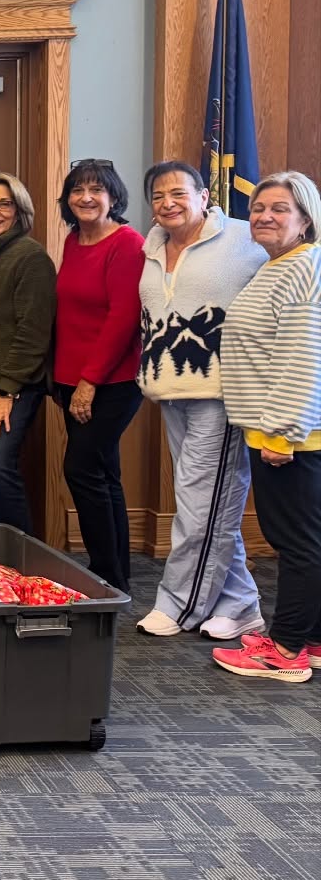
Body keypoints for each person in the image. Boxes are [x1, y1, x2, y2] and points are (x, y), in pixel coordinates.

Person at [136, 161, 267, 638]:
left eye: (178, 193)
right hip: (171, 393)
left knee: (199, 505)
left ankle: (179, 605)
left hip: (221, 395)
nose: (167, 203)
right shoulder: (151, 245)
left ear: (204, 194)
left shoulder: (241, 239)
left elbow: (291, 281)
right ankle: (241, 605)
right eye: (158, 196)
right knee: (209, 506)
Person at [213, 171, 321, 684]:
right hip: (283, 429)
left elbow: (301, 358)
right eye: (258, 208)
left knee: (296, 543)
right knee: (306, 540)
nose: (265, 216)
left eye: (280, 208)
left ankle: (286, 650)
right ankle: (311, 639)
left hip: (291, 434)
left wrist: (282, 432)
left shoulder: (301, 269)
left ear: (305, 219)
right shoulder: (281, 267)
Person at [53, 159, 145, 592]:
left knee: (82, 469)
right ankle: (113, 572)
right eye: (77, 190)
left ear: (113, 196)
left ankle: (106, 573)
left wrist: (88, 382)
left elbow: (123, 318)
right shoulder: (75, 240)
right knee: (103, 472)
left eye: (96, 189)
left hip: (111, 382)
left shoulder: (126, 243)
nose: (86, 197)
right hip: (71, 380)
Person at [0, 173, 56, 534]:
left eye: (4, 204)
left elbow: (33, 332)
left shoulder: (30, 257)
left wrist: (7, 392)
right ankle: (2, 556)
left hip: (15, 385)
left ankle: (24, 560)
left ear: (19, 211)